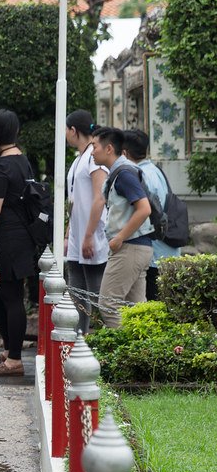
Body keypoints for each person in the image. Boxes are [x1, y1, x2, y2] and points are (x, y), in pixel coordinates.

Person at [0, 109, 39, 377]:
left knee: (11, 297)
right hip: (21, 239)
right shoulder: (23, 161)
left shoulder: (1, 167)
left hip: (7, 242)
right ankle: (9, 348)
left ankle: (14, 359)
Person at [91, 127, 153, 327]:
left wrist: (119, 238)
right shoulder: (122, 171)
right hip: (138, 247)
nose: (92, 152)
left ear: (109, 149)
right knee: (136, 312)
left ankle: (123, 355)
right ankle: (141, 355)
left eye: (94, 146)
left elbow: (144, 209)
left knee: (109, 305)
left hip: (129, 247)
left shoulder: (124, 174)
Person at [122, 129, 181, 301]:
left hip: (155, 252)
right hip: (166, 250)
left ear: (124, 152)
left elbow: (145, 212)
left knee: (151, 304)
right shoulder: (155, 171)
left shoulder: (140, 175)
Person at [64, 110, 109, 333]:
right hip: (77, 236)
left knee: (95, 293)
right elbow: (74, 199)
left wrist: (89, 234)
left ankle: (100, 342)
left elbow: (99, 197)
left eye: (66, 129)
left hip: (92, 235)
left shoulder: (94, 156)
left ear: (73, 130)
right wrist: (68, 232)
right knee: (77, 293)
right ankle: (78, 339)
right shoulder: (79, 158)